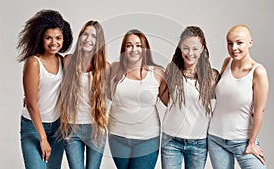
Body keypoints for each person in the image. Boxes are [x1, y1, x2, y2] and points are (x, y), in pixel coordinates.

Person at [17, 9, 73, 169]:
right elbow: (32, 104)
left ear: (64, 39)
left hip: (57, 127)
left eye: (58, 38)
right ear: (41, 38)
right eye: (48, 38)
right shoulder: (34, 63)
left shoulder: (63, 61)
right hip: (34, 127)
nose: (53, 42)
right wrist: (42, 138)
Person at [208, 25, 269, 169]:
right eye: (230, 43)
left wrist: (252, 142)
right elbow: (221, 97)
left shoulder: (258, 72)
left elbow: (260, 110)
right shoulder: (227, 62)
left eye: (239, 42)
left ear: (250, 43)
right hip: (215, 138)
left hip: (243, 140)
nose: (234, 48)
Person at [161, 26, 219, 169]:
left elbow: (226, 101)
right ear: (180, 47)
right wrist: (177, 107)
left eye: (195, 48)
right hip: (171, 140)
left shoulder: (212, 76)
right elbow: (163, 96)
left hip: (198, 142)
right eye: (186, 48)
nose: (190, 53)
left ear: (202, 49)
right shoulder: (172, 70)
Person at [108, 29, 166, 169]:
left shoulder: (157, 72)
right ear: (124, 49)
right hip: (117, 136)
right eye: (129, 45)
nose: (134, 49)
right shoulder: (114, 69)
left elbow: (171, 102)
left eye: (139, 45)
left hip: (147, 138)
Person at [58, 20, 109, 169]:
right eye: (85, 34)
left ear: (98, 41)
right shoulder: (67, 61)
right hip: (71, 127)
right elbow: (51, 79)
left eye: (93, 36)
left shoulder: (105, 67)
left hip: (96, 129)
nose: (88, 39)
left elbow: (121, 85)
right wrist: (31, 94)